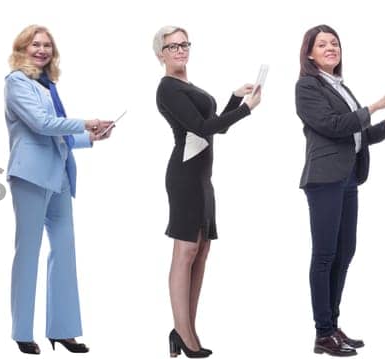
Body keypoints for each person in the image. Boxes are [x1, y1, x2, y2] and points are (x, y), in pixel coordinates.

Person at [292, 24, 385, 357]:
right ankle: (323, 332)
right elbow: (332, 127)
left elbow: (357, 136)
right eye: (323, 44)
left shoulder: (340, 87)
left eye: (335, 43)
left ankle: (333, 326)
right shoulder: (307, 86)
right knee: (325, 255)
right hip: (324, 178)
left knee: (345, 252)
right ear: (310, 53)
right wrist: (373, 108)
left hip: (347, 178)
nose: (331, 47)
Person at [151, 25, 261, 358]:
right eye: (172, 47)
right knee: (184, 251)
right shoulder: (167, 89)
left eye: (184, 44)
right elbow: (199, 128)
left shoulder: (188, 85)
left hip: (202, 177)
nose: (180, 50)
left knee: (201, 251)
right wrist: (247, 108)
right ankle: (183, 333)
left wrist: (234, 98)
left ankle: (186, 330)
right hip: (184, 176)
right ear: (161, 54)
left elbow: (218, 126)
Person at [2, 25, 110, 356]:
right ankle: (22, 331)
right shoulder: (16, 82)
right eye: (35, 44)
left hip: (59, 174)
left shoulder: (48, 86)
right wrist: (84, 122)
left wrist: (90, 137)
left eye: (47, 45)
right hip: (31, 176)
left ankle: (62, 330)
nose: (42, 50)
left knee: (64, 253)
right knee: (28, 253)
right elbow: (40, 125)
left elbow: (56, 135)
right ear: (22, 48)